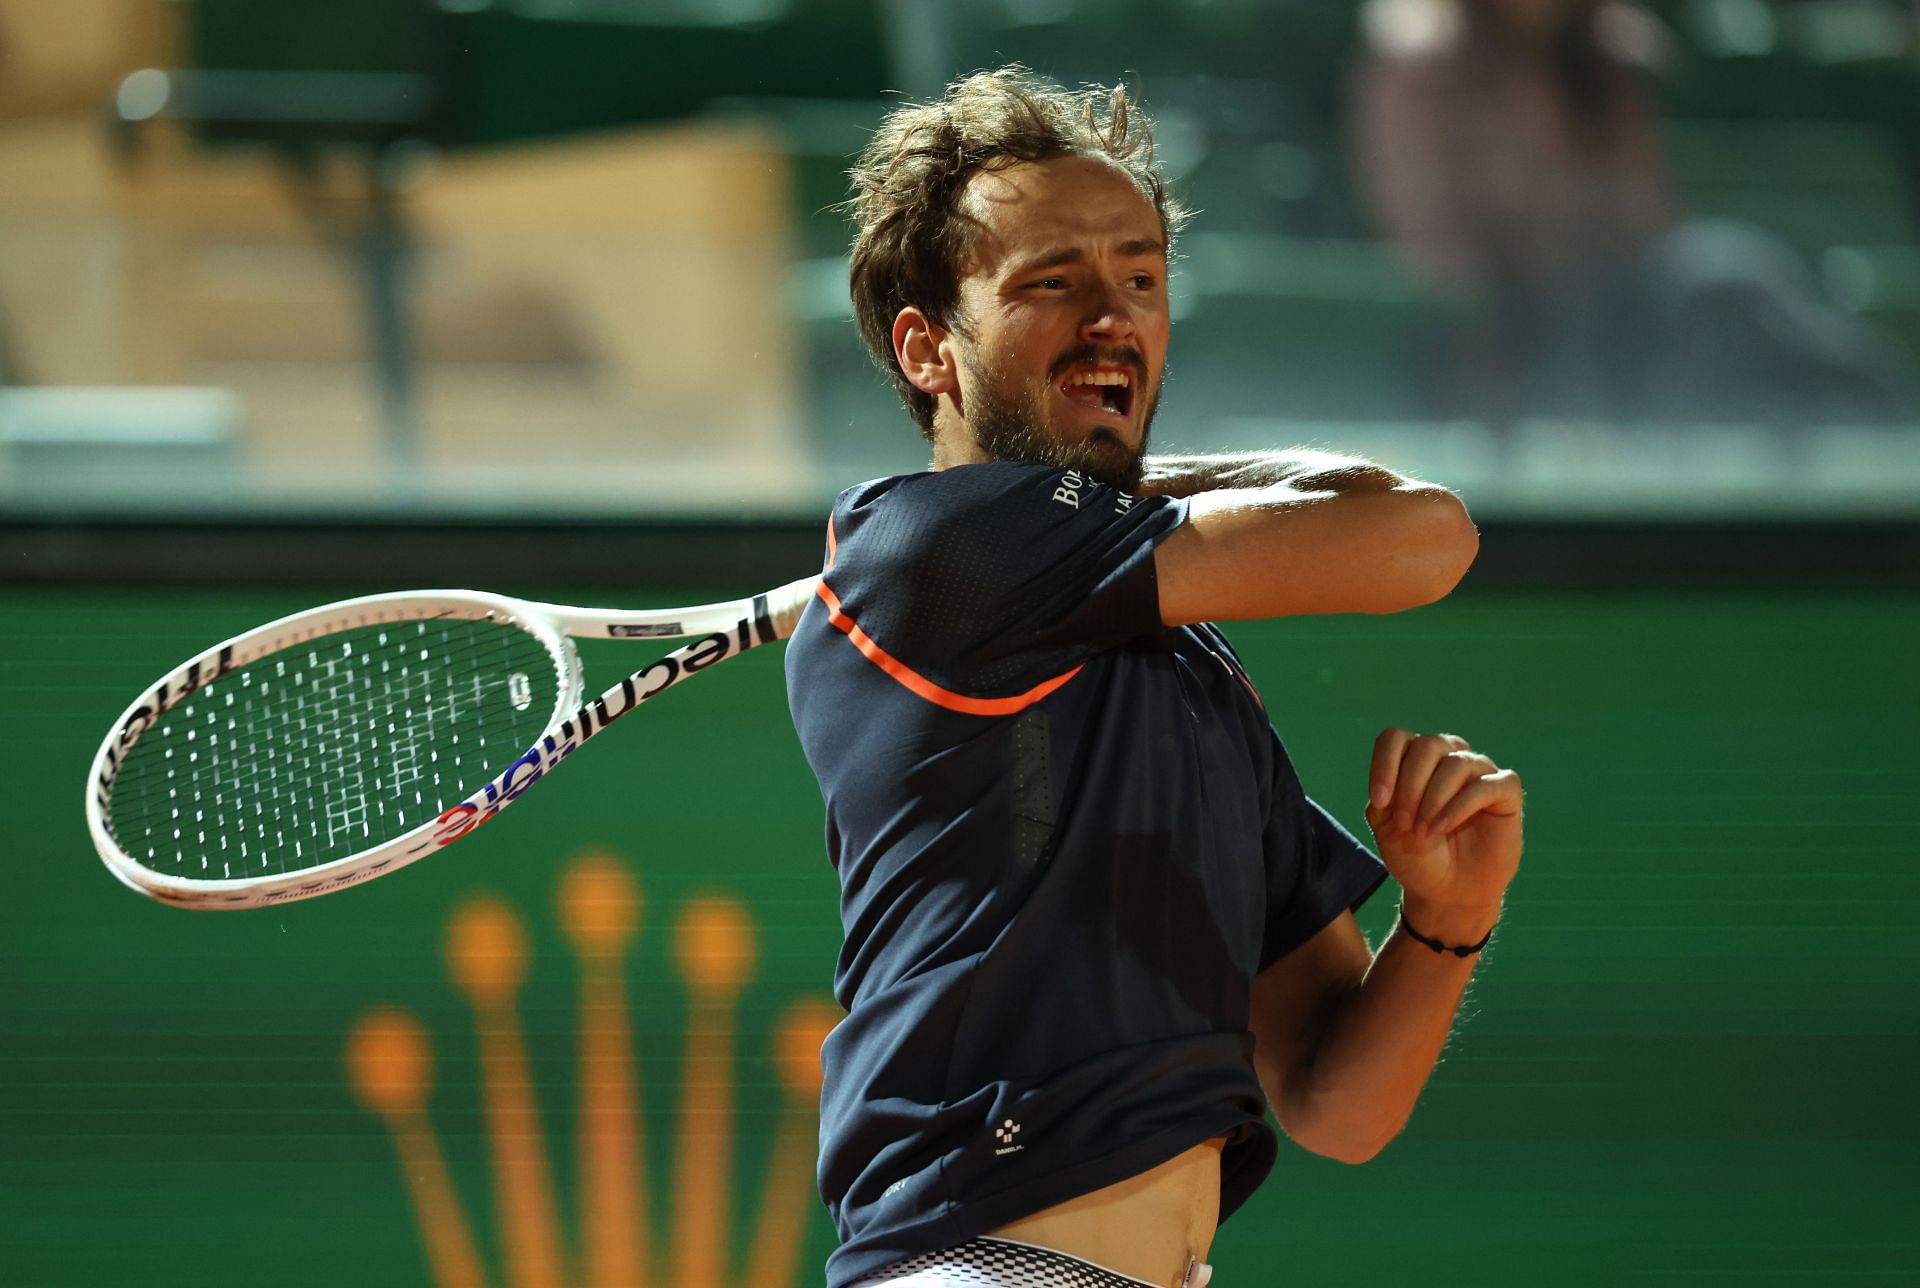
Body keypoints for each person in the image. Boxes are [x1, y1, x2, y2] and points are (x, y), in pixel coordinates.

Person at [784, 67, 1524, 1288]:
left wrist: (1446, 925)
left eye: (1139, 277)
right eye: (1052, 283)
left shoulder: (1190, 675)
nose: (1112, 314)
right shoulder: (932, 546)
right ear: (927, 348)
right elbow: (1419, 535)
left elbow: (1336, 1101)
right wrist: (1119, 484)